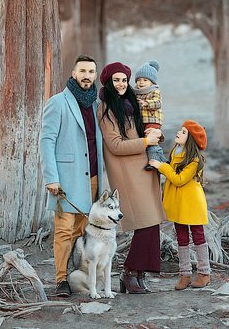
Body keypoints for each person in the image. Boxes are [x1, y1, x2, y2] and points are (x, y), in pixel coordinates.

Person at [97, 61, 165, 294]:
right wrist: (146, 142)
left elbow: (146, 126)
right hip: (127, 172)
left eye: (124, 80)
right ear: (108, 81)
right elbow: (115, 145)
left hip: (144, 169)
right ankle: (128, 272)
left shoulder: (132, 104)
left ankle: (139, 274)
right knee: (144, 223)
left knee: (151, 223)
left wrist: (155, 135)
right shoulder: (106, 109)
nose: (121, 84)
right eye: (116, 80)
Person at [39, 55, 104, 298]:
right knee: (64, 230)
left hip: (94, 178)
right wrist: (51, 178)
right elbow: (46, 141)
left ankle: (80, 276)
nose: (87, 75)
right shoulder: (58, 102)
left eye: (91, 71)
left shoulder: (97, 105)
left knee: (82, 230)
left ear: (95, 76)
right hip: (66, 179)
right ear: (74, 73)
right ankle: (60, 280)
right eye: (83, 71)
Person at [148, 119, 211, 290]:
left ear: (190, 139)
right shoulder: (176, 150)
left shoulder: (195, 160)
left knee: (198, 236)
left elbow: (179, 179)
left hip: (192, 204)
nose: (178, 133)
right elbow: (172, 172)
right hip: (178, 203)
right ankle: (185, 275)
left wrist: (161, 166)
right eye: (180, 130)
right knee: (181, 237)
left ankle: (204, 273)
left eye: (183, 132)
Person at [134, 59, 166, 171]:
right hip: (142, 121)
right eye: (138, 80)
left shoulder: (154, 91)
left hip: (153, 120)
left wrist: (146, 103)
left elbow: (158, 103)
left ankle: (154, 162)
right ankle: (162, 159)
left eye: (145, 80)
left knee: (151, 140)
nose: (141, 82)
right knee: (144, 141)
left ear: (151, 82)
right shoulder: (136, 92)